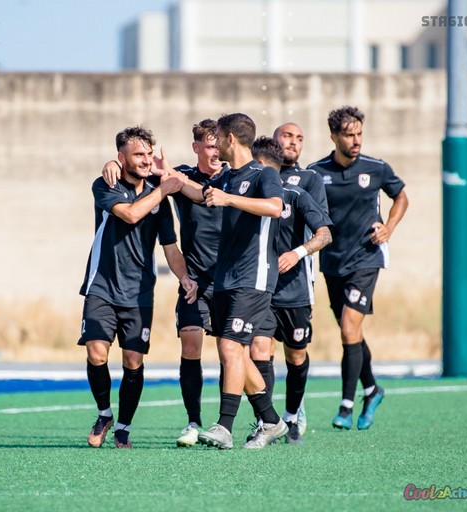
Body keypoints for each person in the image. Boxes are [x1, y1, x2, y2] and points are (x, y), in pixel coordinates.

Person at [101, 120, 225, 447]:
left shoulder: (237, 177)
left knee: (236, 352)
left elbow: (201, 195)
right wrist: (113, 163)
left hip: (233, 280)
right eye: (209, 146)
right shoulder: (173, 176)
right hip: (195, 278)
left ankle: (251, 419)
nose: (216, 152)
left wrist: (173, 179)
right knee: (191, 343)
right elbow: (136, 170)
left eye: (220, 145)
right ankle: (194, 422)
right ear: (196, 146)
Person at [79, 126, 196, 449]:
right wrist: (163, 190)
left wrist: (184, 277)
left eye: (148, 154)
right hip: (101, 285)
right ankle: (104, 414)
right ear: (121, 158)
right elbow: (130, 214)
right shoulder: (106, 184)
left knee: (132, 360)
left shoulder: (160, 193)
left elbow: (170, 246)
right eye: (137, 154)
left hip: (140, 291)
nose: (145, 160)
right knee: (97, 351)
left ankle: (124, 428)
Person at [178, 113, 288, 450]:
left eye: (219, 138)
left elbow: (274, 206)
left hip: (252, 276)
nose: (215, 146)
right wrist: (162, 171)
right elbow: (198, 192)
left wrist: (229, 199)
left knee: (230, 347)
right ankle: (271, 420)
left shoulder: (263, 173)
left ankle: (224, 427)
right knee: (235, 353)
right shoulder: (226, 179)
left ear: (230, 139)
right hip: (225, 278)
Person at [307, 106, 409, 430]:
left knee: (350, 330)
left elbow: (402, 196)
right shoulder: (315, 172)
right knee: (351, 332)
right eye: (349, 135)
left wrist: (389, 227)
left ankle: (346, 406)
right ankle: (373, 389)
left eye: (359, 134)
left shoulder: (376, 168)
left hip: (367, 257)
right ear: (334, 136)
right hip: (333, 262)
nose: (356, 140)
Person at [250, 136, 333, 444]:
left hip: (294, 291)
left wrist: (297, 253)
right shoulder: (245, 196)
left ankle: (293, 413)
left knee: (296, 356)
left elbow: (324, 235)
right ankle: (265, 421)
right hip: (260, 288)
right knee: (260, 351)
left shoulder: (296, 195)